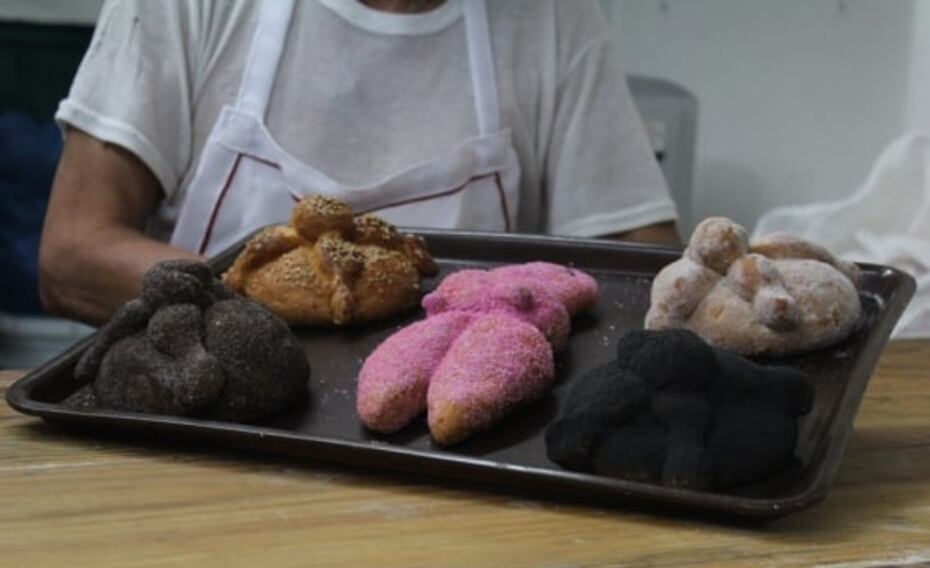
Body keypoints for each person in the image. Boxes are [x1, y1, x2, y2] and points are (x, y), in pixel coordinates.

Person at [39, 0, 680, 325]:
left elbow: (643, 272)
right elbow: (73, 256)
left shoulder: (553, 19)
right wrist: (292, 300)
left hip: (453, 463)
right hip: (199, 439)